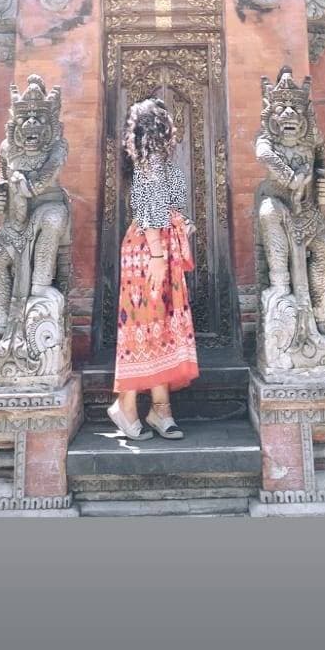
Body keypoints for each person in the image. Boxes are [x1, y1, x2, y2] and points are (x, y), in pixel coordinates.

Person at [108, 97, 199, 441]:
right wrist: (159, 256)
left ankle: (160, 408)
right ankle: (129, 405)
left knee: (160, 325)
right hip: (149, 252)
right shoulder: (148, 165)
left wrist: (183, 224)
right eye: (165, 122)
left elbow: (170, 207)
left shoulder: (159, 163)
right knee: (146, 322)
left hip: (161, 248)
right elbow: (149, 214)